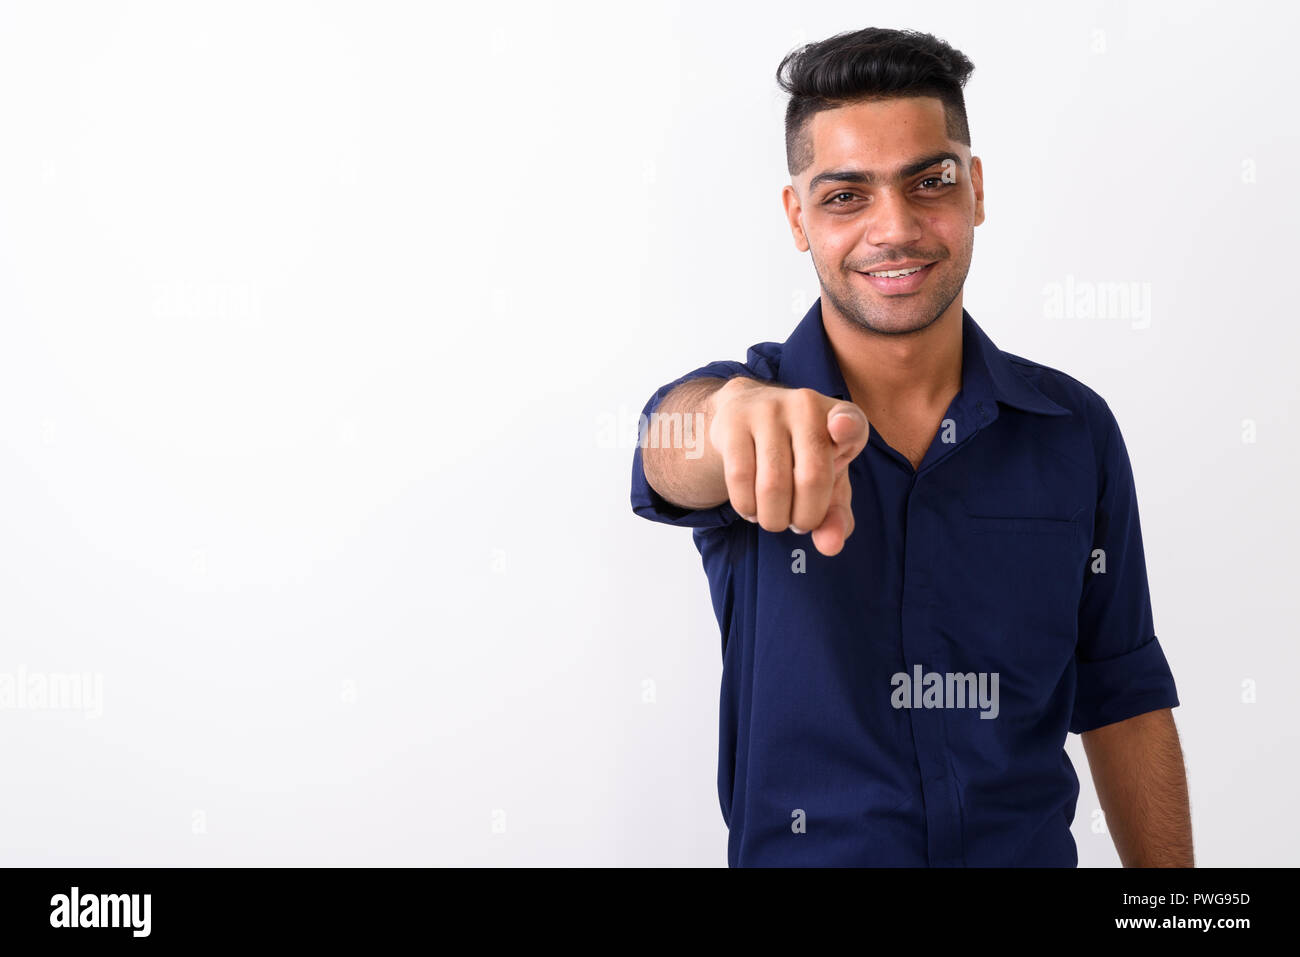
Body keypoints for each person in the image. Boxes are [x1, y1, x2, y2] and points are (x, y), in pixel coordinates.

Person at [630, 26, 1191, 867]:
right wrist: (731, 418)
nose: (895, 229)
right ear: (797, 217)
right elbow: (669, 450)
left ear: (975, 190)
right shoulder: (752, 405)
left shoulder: (1074, 429)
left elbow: (1124, 696)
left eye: (929, 182)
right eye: (845, 196)